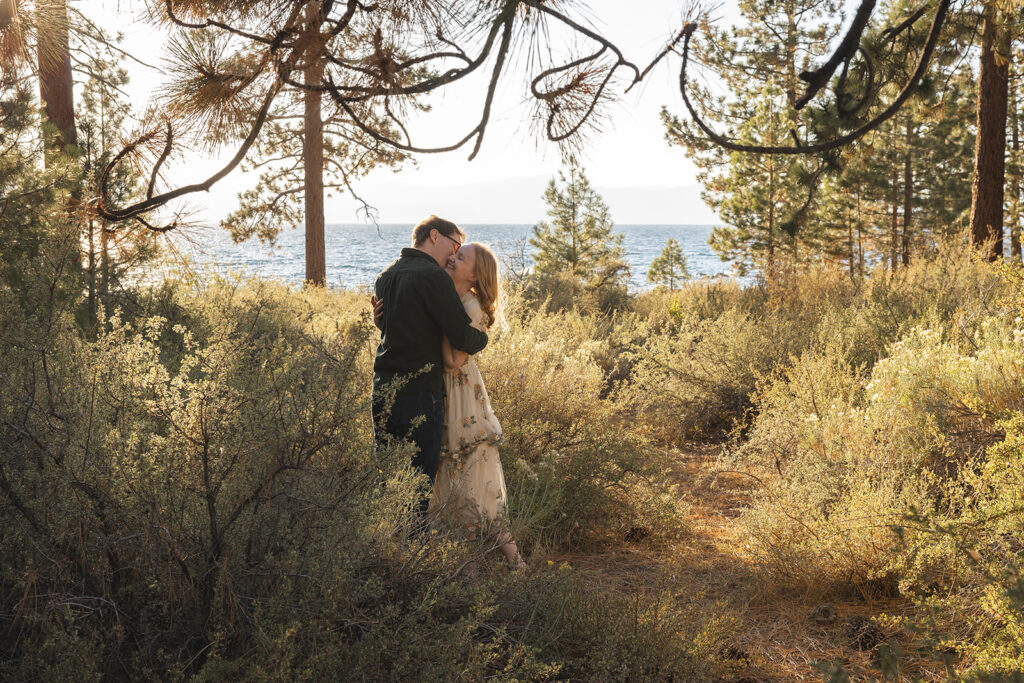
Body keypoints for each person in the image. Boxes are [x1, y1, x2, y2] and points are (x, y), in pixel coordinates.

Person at [371, 216, 488, 515]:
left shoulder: (385, 276)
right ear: (434, 236)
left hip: (383, 390)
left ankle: (384, 548)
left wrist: (379, 323)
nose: (453, 254)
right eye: (455, 244)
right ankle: (412, 552)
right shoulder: (433, 278)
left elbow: (399, 331)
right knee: (419, 486)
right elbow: (461, 334)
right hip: (420, 394)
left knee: (387, 479)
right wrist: (484, 336)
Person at [428, 242, 524, 568]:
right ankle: (468, 566)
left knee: (471, 478)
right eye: (455, 254)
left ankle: (513, 562)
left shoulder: (469, 306)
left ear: (474, 274)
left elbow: (454, 360)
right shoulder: (458, 300)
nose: (453, 258)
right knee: (460, 479)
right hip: (452, 391)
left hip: (461, 393)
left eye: (461, 257)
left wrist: (439, 322)